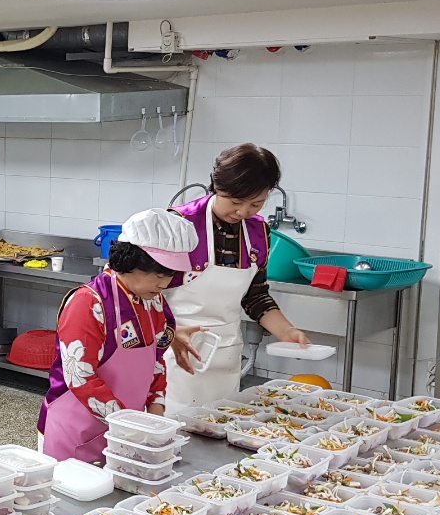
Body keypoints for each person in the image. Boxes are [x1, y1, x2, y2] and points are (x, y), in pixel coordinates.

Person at [37, 209, 201, 463]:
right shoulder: (89, 302)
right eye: (158, 275)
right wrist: (132, 427)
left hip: (127, 431)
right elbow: (80, 376)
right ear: (130, 262)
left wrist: (155, 416)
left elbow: (156, 361)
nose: (164, 284)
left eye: (170, 275)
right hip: (77, 433)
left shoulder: (154, 302)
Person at [164, 144, 310, 409]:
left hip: (225, 356)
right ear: (216, 187)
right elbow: (140, 294)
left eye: (256, 203)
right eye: (235, 202)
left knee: (218, 422)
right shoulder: (178, 225)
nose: (243, 212)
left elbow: (256, 296)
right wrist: (167, 333)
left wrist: (286, 330)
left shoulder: (258, 232)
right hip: (172, 352)